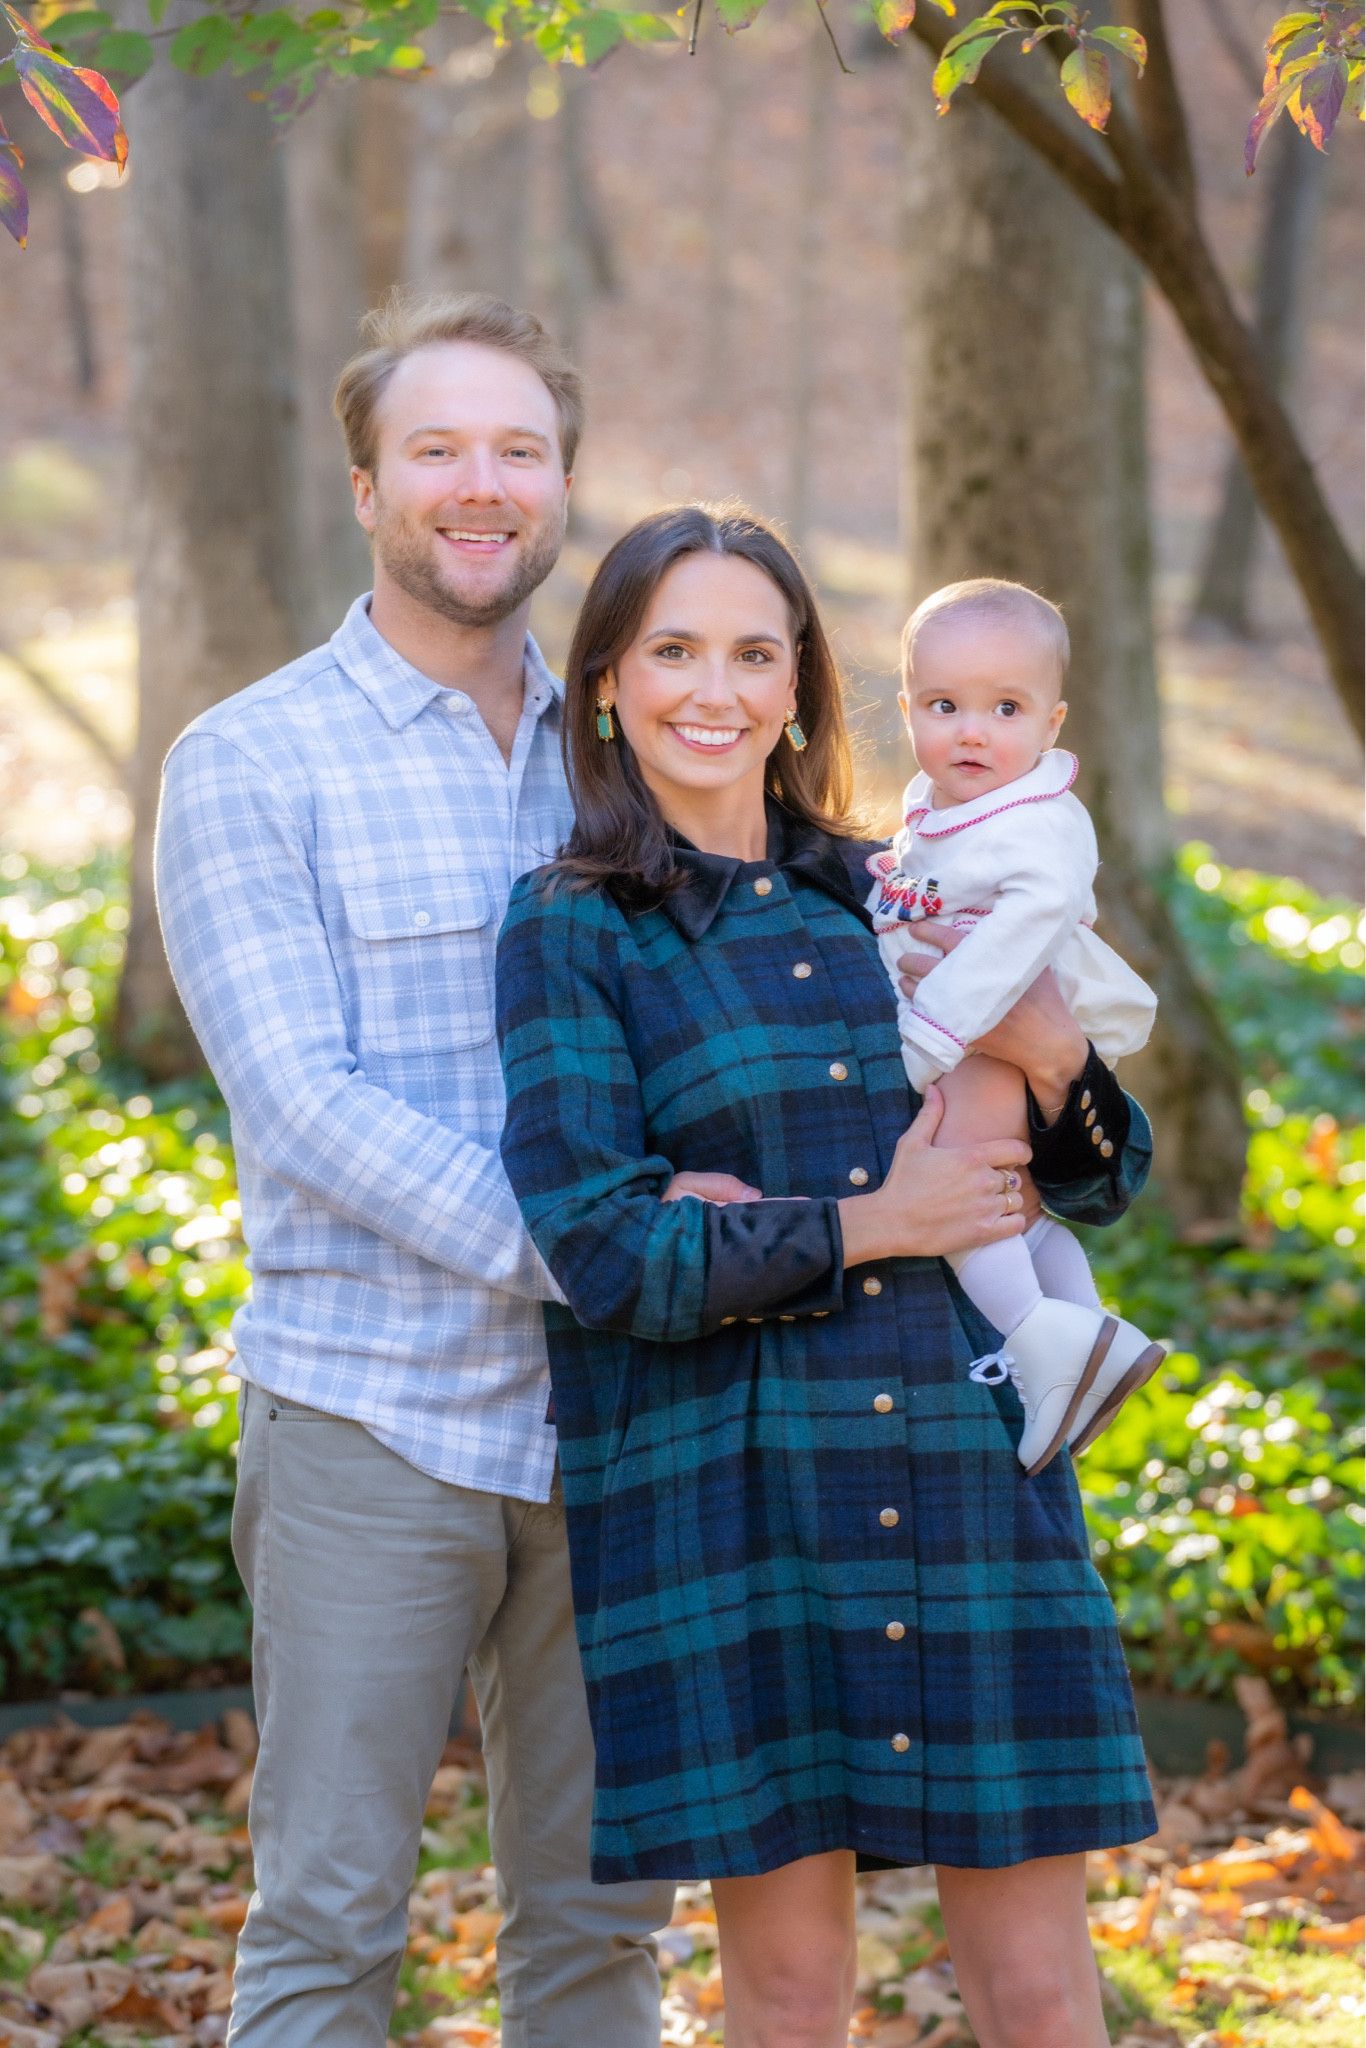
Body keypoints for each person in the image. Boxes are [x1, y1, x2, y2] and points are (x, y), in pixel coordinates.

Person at [496, 503, 1158, 2048]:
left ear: (800, 686)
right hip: (736, 1502)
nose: (711, 691)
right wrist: (875, 1219)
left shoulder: (907, 887)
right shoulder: (572, 929)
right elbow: (603, 1251)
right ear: (606, 681)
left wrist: (1051, 1051)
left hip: (963, 1472)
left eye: (752, 651)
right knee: (787, 1998)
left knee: (1044, 1996)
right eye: (670, 651)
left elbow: (1101, 1178)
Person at [154, 291, 679, 2048]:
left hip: (617, 1433)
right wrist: (610, 1245)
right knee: (326, 1921)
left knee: (604, 1936)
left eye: (518, 448)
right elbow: (303, 1102)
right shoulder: (251, 758)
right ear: (369, 477)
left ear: (559, 486)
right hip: (373, 1421)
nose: (482, 483)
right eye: (440, 447)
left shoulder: (635, 759)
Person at [866, 577, 1164, 1476]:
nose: (971, 731)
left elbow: (1021, 934)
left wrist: (933, 1037)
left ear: (1053, 722)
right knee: (1016, 1212)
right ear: (908, 704)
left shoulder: (1041, 820)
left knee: (964, 1193)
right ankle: (1096, 1346)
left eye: (1006, 708)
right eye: (944, 704)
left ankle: (1042, 1345)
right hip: (978, 1028)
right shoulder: (939, 801)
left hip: (990, 1023)